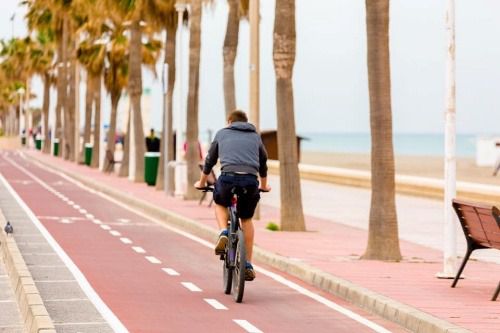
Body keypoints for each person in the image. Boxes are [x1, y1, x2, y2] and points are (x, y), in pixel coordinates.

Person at [194, 110, 271, 281]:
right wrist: (264, 186)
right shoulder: (255, 136)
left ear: (229, 121)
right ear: (245, 122)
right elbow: (263, 163)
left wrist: (201, 183)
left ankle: (223, 232)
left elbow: (210, 160)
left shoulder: (222, 133)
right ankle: (248, 264)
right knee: (247, 219)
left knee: (220, 203)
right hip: (250, 181)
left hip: (228, 178)